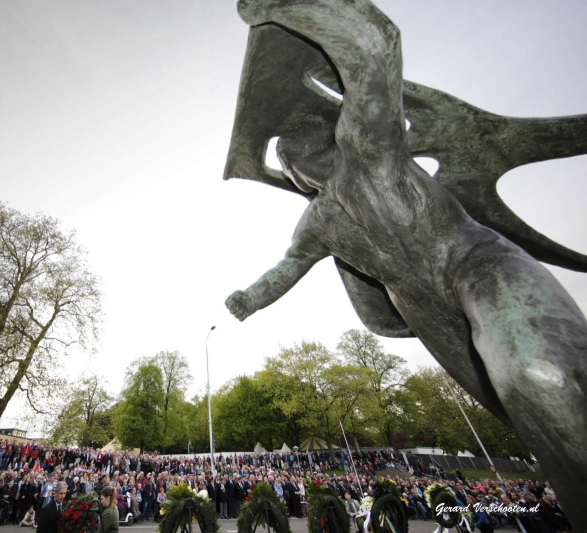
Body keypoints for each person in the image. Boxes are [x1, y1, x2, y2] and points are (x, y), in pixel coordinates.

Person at [225, 0, 587, 530]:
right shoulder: (318, 221)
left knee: (542, 373)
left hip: (475, 265)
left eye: (292, 154)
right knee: (525, 413)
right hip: (421, 310)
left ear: (319, 147)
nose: (294, 166)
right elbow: (289, 266)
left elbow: (375, 49)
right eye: (286, 161)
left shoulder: (369, 149)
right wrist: (247, 299)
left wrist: (290, 6)